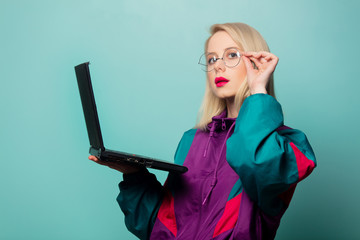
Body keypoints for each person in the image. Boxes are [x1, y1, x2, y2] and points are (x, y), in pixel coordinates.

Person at [89, 22, 316, 240]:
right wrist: (133, 175)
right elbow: (160, 227)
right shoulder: (191, 140)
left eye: (232, 55)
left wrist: (258, 90)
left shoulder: (287, 145)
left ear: (257, 62)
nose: (217, 65)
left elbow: (254, 161)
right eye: (211, 59)